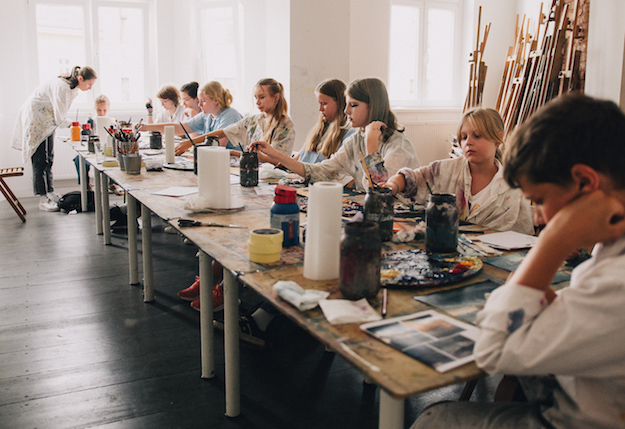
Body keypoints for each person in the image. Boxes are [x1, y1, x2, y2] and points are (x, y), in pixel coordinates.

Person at [410, 93, 625, 429]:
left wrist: (554, 241)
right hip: (571, 387)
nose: (538, 216)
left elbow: (491, 349)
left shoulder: (616, 283)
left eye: (538, 200)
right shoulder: (610, 249)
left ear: (585, 183)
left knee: (434, 419)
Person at [382, 108, 534, 234]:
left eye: (477, 136)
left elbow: (523, 237)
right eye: (463, 137)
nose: (468, 142)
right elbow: (411, 178)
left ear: (498, 139)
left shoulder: (513, 186)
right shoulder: (446, 170)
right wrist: (392, 186)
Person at [251, 77, 419, 190]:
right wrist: (274, 154)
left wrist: (371, 145)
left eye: (353, 105)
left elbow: (379, 192)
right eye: (346, 104)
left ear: (373, 106)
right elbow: (320, 170)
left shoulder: (397, 146)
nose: (346, 111)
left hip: (399, 217)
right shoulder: (356, 140)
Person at [11, 66, 97, 211]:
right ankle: (43, 199)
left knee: (49, 158)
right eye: (89, 84)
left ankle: (50, 192)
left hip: (46, 120)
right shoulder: (63, 87)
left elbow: (59, 116)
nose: (89, 88)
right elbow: (60, 118)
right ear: (80, 79)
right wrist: (75, 125)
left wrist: (73, 124)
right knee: (40, 160)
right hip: (36, 119)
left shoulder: (72, 89)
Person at [175, 78, 295, 160]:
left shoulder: (285, 125)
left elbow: (280, 161)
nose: (257, 102)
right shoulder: (253, 120)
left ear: (276, 97)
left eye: (262, 97)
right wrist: (189, 143)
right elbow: (223, 132)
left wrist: (235, 153)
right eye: (256, 98)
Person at [142, 81, 243, 151]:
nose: (200, 105)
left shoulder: (230, 115)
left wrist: (189, 143)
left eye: (203, 101)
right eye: (199, 101)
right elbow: (180, 127)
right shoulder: (206, 115)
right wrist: (147, 127)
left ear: (216, 100)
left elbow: (218, 145)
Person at [295, 78, 354, 164]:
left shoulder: (349, 133)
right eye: (319, 104)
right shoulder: (320, 129)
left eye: (324, 104)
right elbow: (299, 158)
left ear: (340, 102)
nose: (320, 109)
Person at [72, 94, 111, 189]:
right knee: (78, 159)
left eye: (104, 110)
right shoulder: (90, 122)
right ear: (95, 108)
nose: (101, 113)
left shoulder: (111, 122)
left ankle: (113, 184)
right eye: (99, 110)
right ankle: (86, 184)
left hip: (107, 149)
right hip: (92, 150)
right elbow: (84, 139)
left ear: (108, 109)